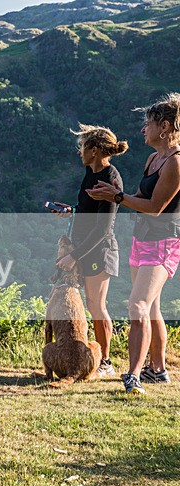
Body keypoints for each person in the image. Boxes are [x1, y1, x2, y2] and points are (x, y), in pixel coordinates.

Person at [88, 93, 180, 393]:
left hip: (164, 244)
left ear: (164, 127)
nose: (143, 130)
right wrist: (113, 193)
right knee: (151, 307)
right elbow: (140, 198)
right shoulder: (154, 158)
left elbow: (155, 206)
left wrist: (116, 197)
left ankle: (133, 375)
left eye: (148, 124)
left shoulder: (176, 163)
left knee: (137, 305)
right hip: (142, 240)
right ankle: (159, 370)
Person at [52, 125, 128, 378]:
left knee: (97, 305)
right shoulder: (91, 173)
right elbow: (87, 208)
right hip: (85, 249)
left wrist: (74, 255)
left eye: (82, 146)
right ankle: (90, 358)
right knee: (92, 304)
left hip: (100, 251)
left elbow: (103, 229)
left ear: (94, 150)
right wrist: (71, 211)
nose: (79, 152)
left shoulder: (110, 180)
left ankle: (105, 362)